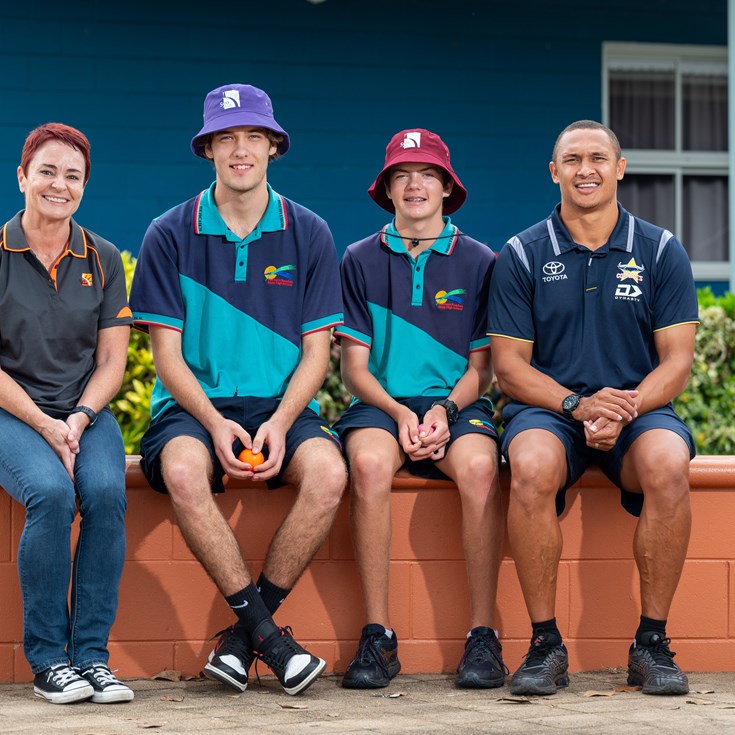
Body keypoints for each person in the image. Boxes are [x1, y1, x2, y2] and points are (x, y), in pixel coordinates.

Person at [129, 84, 347, 696]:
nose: (241, 149)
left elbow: (317, 354)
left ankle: (243, 637)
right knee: (181, 470)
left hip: (278, 404)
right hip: (192, 406)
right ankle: (272, 640)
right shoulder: (168, 232)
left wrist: (279, 423)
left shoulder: (310, 232)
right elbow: (165, 357)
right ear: (209, 150)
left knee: (329, 474)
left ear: (274, 146)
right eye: (227, 138)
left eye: (253, 136)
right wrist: (215, 422)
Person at [488, 120, 698, 696]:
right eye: (572, 159)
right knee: (529, 465)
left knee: (668, 464)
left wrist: (620, 411)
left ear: (620, 168)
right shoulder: (522, 253)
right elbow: (509, 367)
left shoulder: (660, 249)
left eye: (598, 158)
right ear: (554, 172)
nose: (586, 169)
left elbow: (677, 361)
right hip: (553, 409)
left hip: (637, 407)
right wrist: (579, 406)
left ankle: (651, 644)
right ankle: (544, 646)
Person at [334, 129, 506, 689]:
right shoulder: (358, 258)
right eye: (402, 175)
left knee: (482, 469)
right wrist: (402, 414)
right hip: (381, 405)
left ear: (446, 187)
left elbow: (484, 368)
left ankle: (484, 636)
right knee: (367, 466)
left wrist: (445, 413)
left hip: (455, 405)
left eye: (427, 174)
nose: (415, 185)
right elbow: (353, 370)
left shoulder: (482, 260)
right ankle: (378, 638)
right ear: (386, 189)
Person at [0, 123, 133, 704]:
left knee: (105, 491)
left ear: (85, 187)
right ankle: (49, 659)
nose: (59, 184)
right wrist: (44, 423)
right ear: (23, 176)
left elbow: (111, 362)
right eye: (47, 171)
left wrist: (77, 418)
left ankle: (93, 658)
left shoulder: (102, 257)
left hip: (83, 412)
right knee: (52, 495)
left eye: (73, 176)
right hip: (10, 412)